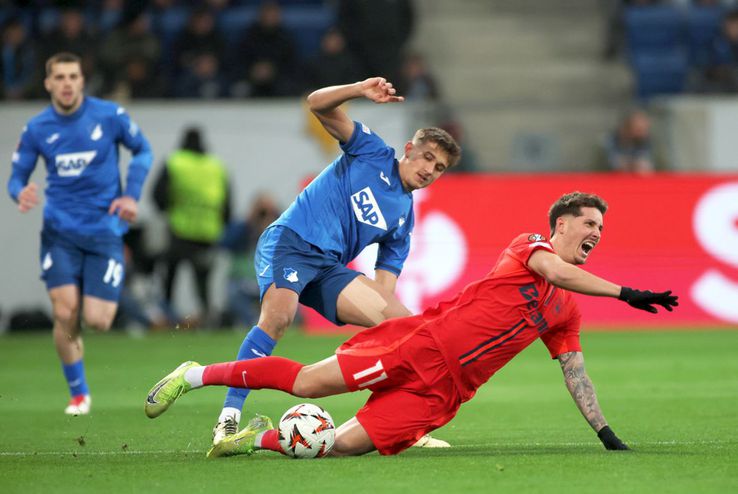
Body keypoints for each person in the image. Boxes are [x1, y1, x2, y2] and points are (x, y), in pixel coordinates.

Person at [145, 191, 679, 458]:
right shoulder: (530, 247)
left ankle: (254, 440)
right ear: (561, 225)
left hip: (443, 396)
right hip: (418, 346)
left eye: (602, 228)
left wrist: (606, 435)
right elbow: (554, 269)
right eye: (590, 224)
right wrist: (627, 291)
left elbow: (575, 372)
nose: (598, 233)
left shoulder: (567, 309)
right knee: (310, 383)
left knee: (338, 448)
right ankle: (194, 374)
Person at [210, 76, 462, 450]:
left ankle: (401, 426)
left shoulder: (403, 219)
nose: (429, 169)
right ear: (408, 149)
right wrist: (360, 89)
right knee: (278, 318)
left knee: (406, 333)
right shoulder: (373, 151)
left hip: (327, 267)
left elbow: (383, 291)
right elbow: (316, 103)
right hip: (292, 242)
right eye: (427, 157)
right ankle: (227, 421)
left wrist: (386, 336)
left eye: (439, 167)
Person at [7, 52, 153, 415]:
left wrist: (130, 196)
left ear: (82, 80)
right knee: (64, 311)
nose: (67, 83)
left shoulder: (109, 116)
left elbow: (142, 151)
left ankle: (87, 304)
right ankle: (78, 393)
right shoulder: (38, 128)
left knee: (99, 321)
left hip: (104, 231)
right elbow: (16, 177)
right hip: (60, 233)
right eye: (59, 77)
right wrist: (18, 192)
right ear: (48, 83)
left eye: (73, 76)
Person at [152, 126, 231, 326]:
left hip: (180, 230)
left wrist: (167, 211)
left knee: (170, 276)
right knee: (203, 281)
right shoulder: (216, 166)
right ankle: (207, 319)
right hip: (208, 233)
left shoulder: (175, 162)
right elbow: (228, 201)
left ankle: (168, 318)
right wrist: (222, 223)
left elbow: (157, 194)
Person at [601, 109, 655, 174]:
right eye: (639, 130)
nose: (644, 134)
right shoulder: (607, 144)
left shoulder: (651, 144)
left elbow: (665, 169)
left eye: (646, 129)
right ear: (626, 129)